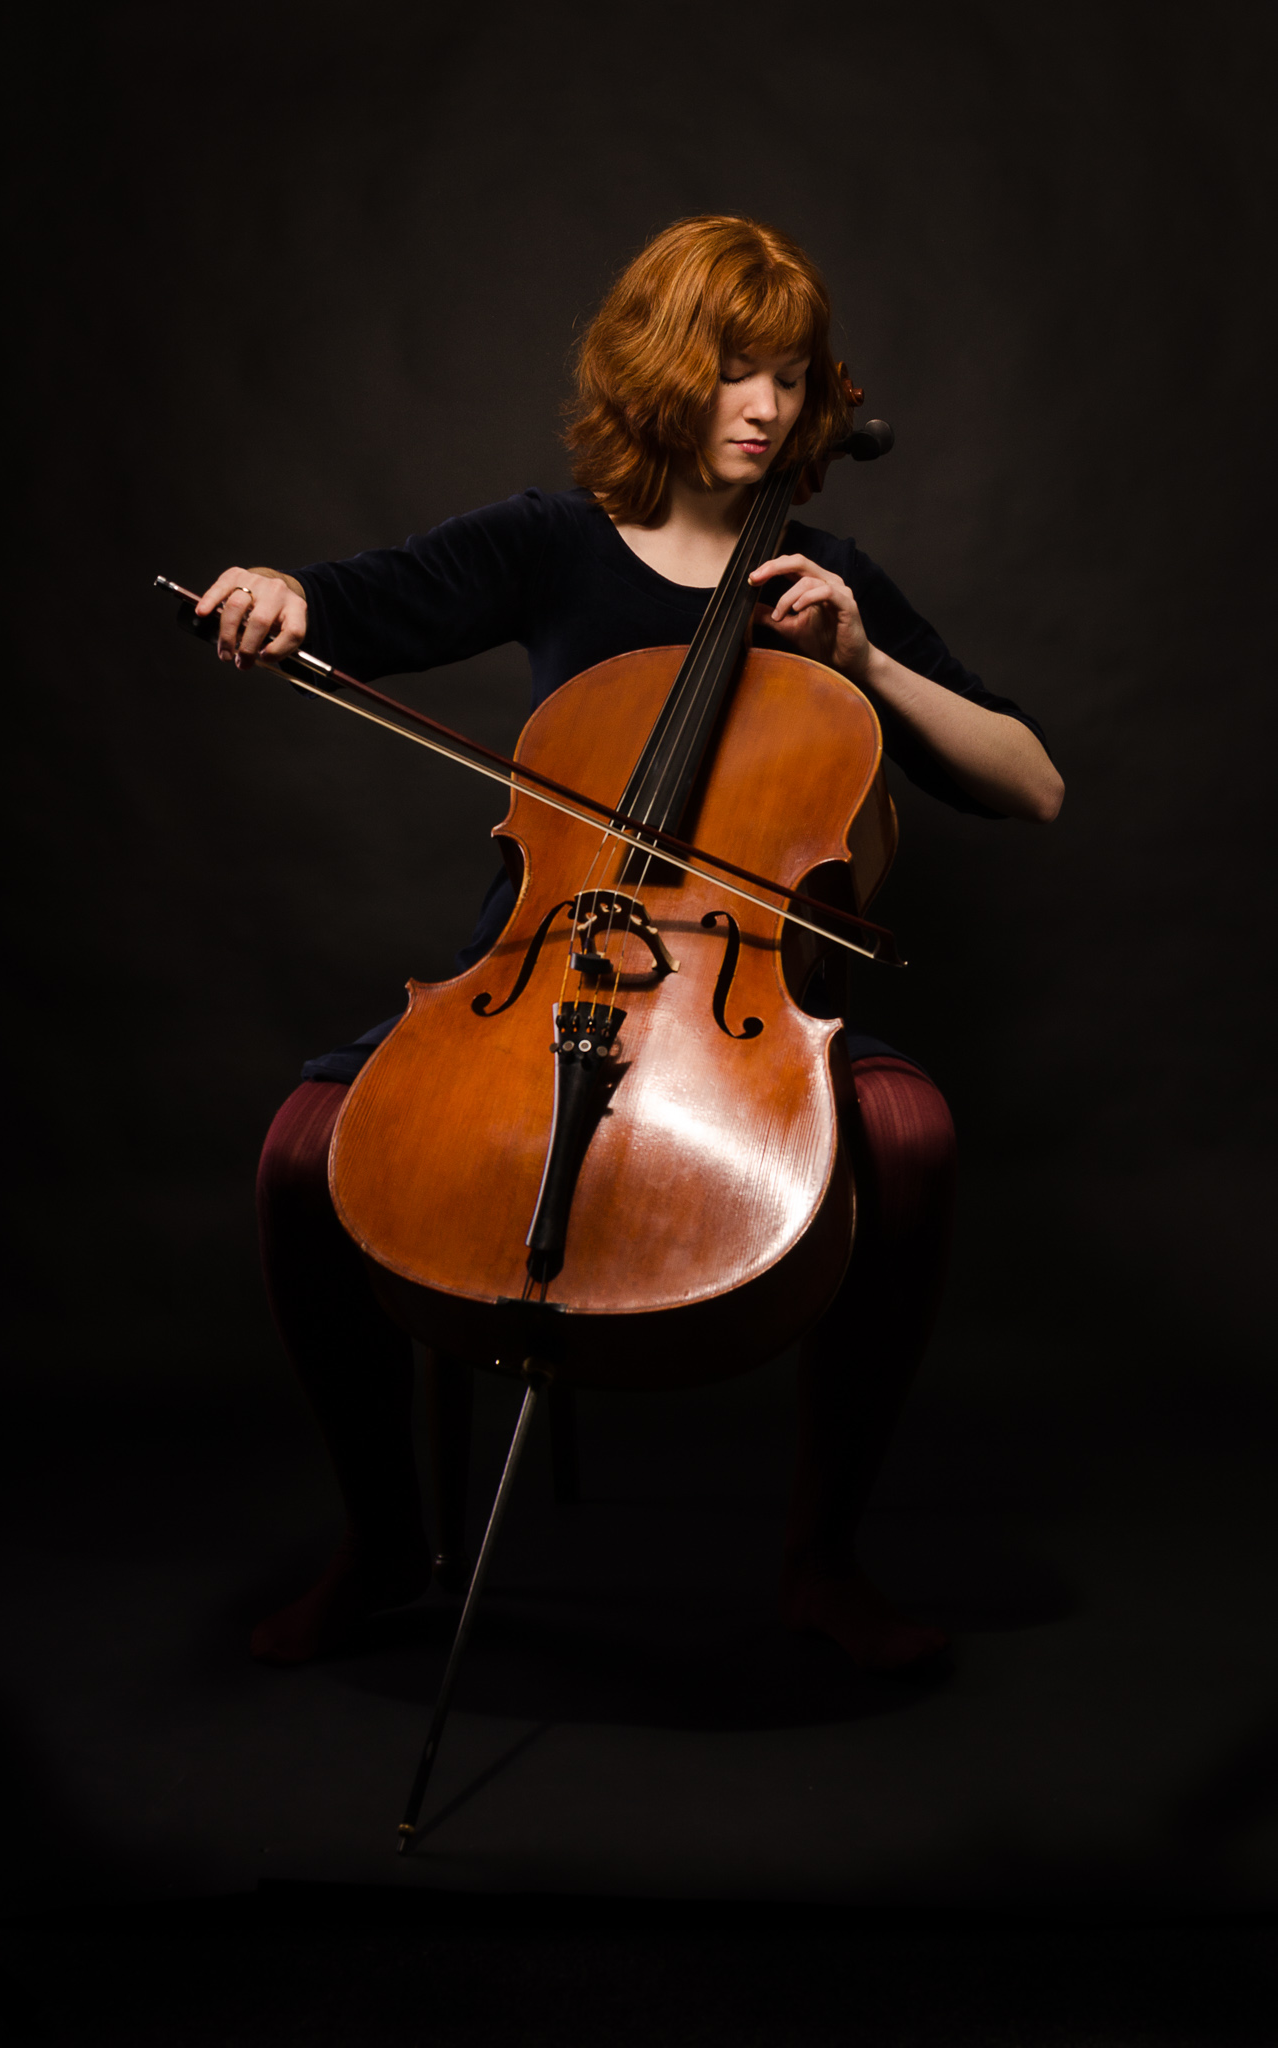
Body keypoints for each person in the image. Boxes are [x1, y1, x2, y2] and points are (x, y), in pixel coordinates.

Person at [198, 216, 1063, 1675]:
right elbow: (361, 603)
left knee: (909, 1140)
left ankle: (821, 1558)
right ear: (661, 369)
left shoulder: (826, 578)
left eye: (790, 379)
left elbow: (1030, 782)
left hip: (750, 1008)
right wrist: (285, 596)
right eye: (737, 371)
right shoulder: (548, 546)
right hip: (534, 970)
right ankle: (382, 1544)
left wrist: (865, 659)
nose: (770, 409)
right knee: (300, 1149)